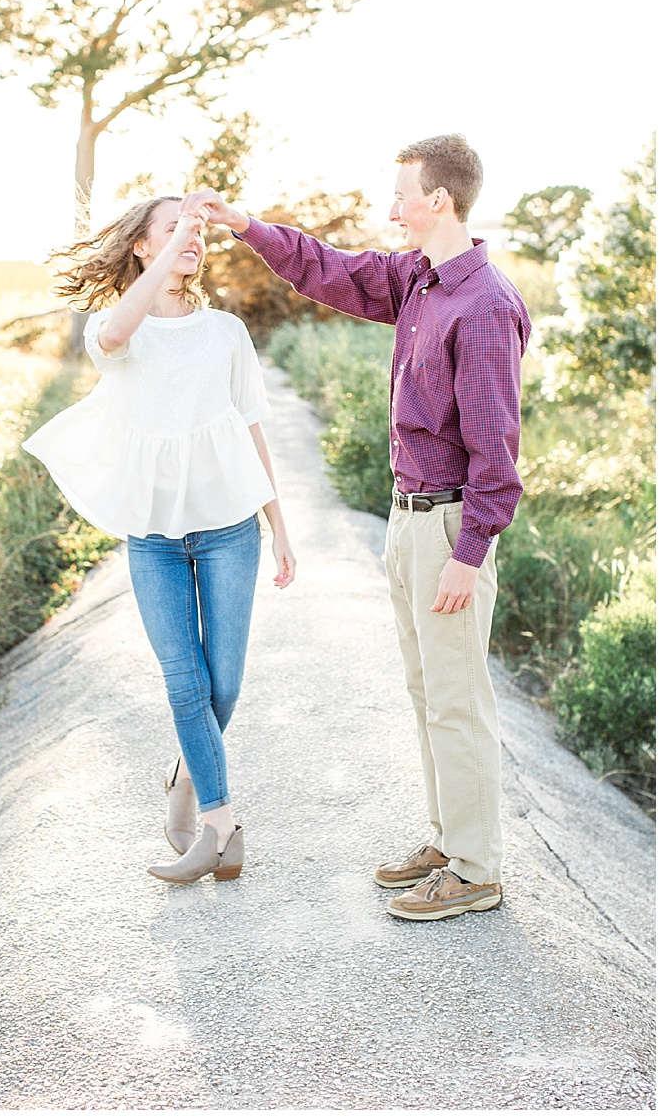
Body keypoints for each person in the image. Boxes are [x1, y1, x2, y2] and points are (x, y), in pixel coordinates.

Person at [182, 133, 529, 922]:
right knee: (426, 692)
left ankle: (476, 869)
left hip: (449, 529)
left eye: (401, 193)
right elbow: (329, 268)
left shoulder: (483, 305)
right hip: (409, 520)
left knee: (457, 699)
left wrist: (468, 554)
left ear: (438, 200)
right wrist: (244, 224)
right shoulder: (417, 280)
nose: (391, 208)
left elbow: (497, 452)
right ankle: (449, 841)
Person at [25, 195, 295, 884]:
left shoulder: (227, 333)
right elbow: (113, 335)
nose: (191, 240)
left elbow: (253, 427)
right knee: (185, 681)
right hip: (153, 538)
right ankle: (220, 824)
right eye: (172, 230)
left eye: (196, 231)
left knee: (222, 686)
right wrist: (164, 261)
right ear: (141, 248)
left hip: (230, 530)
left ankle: (185, 772)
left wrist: (279, 525)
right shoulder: (118, 332)